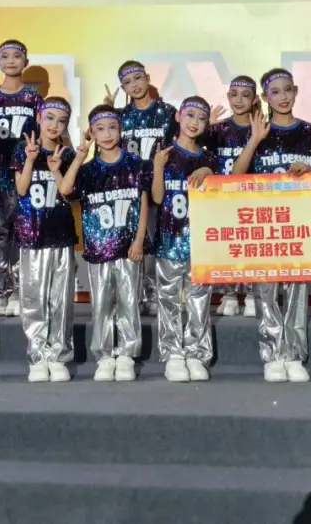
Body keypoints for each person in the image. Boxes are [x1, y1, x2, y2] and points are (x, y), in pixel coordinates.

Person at [232, 68, 311, 383]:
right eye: (275, 92)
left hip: (299, 225)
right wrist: (254, 141)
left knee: (297, 293)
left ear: (296, 91)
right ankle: (273, 355)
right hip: (264, 226)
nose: (283, 96)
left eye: (288, 89)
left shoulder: (310, 132)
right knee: (267, 293)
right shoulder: (256, 131)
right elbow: (235, 178)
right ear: (265, 97)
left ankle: (295, 355)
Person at [61, 106, 148, 382]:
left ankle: (127, 354)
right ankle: (105, 355)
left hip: (128, 249)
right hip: (98, 250)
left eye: (112, 127)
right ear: (91, 133)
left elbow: (143, 205)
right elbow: (65, 189)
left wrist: (139, 240)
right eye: (100, 129)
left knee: (129, 302)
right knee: (101, 305)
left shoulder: (136, 164)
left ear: (121, 130)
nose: (107, 134)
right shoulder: (88, 170)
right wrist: (79, 156)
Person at [151, 97, 217, 382]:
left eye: (201, 118)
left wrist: (208, 171)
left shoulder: (208, 158)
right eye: (190, 115)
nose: (194, 122)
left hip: (201, 242)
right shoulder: (164, 152)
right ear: (178, 116)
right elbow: (156, 197)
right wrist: (157, 166)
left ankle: (197, 353)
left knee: (199, 300)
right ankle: (173, 354)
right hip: (169, 239)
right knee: (168, 300)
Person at [13, 97, 77, 383]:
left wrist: (58, 168)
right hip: (32, 235)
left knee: (60, 300)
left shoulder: (69, 153)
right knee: (34, 299)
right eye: (49, 118)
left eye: (61, 120)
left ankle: (58, 355)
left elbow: (69, 193)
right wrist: (30, 159)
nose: (54, 125)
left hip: (61, 235)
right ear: (39, 118)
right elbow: (21, 189)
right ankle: (38, 356)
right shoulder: (23, 148)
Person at [0, 40, 42, 317]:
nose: (11, 61)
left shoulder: (34, 97)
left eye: (17, 56)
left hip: (24, 173)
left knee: (21, 233)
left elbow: (42, 134)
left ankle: (18, 291)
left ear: (26, 62)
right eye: (5, 56)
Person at [108, 60, 177, 316]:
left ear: (147, 78)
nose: (134, 85)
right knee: (132, 242)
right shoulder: (120, 116)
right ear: (123, 87)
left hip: (160, 186)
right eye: (127, 82)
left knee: (158, 240)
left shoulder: (168, 112)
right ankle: (133, 295)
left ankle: (157, 294)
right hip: (130, 189)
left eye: (138, 78)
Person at [209, 75, 259, 317]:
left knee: (251, 247)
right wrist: (207, 127)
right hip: (223, 200)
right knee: (227, 247)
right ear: (227, 96)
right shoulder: (217, 129)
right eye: (234, 94)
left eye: (245, 95)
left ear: (255, 99)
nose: (239, 100)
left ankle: (251, 293)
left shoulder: (260, 129)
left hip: (252, 199)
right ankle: (228, 293)